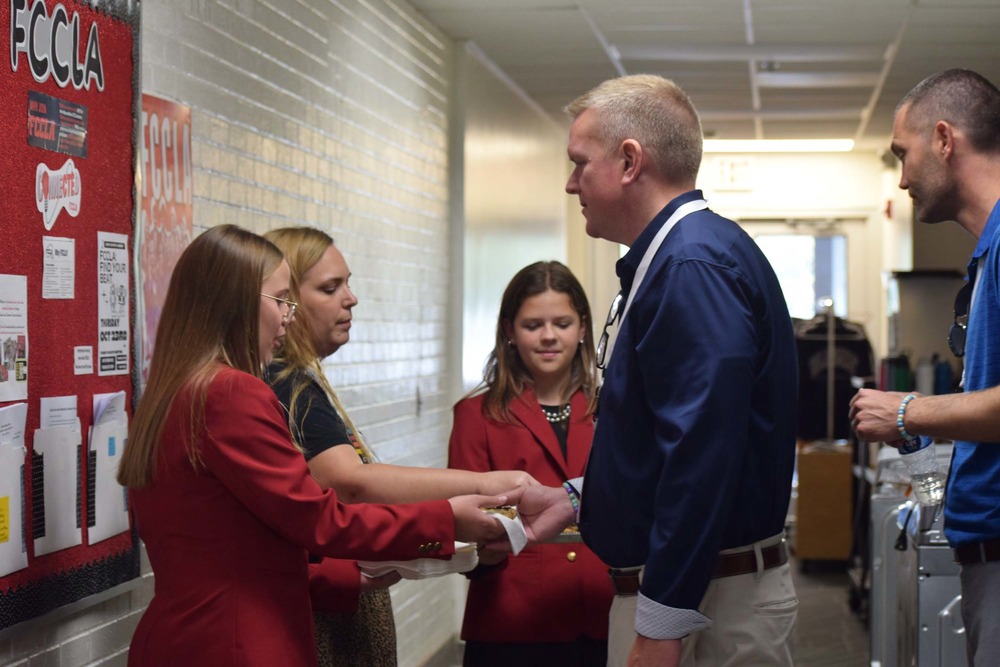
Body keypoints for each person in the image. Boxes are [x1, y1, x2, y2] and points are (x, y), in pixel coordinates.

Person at [118, 224, 519, 667]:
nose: (288, 317)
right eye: (281, 300)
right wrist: (445, 520)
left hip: (179, 636)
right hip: (236, 643)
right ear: (236, 303)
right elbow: (320, 518)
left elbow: (234, 544)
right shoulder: (231, 392)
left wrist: (344, 574)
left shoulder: (173, 390)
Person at [502, 74, 801, 667]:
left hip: (703, 602)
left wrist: (663, 622)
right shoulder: (679, 257)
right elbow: (665, 439)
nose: (570, 183)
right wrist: (582, 498)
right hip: (700, 590)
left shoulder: (691, 266)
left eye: (579, 163)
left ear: (629, 161)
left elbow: (700, 452)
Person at [262, 226, 536, 667]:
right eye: (330, 288)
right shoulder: (285, 383)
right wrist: (485, 487)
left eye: (348, 284)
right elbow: (350, 484)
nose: (351, 299)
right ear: (285, 303)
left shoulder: (301, 379)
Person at [848, 68, 1000, 666]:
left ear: (944, 139)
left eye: (902, 154)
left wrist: (908, 410)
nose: (903, 178)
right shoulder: (986, 253)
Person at [448, 261, 612, 667]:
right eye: (533, 325)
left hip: (604, 616)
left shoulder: (616, 409)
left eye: (562, 323)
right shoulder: (475, 415)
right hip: (512, 624)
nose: (549, 336)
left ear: (583, 327)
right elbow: (464, 526)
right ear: (509, 330)